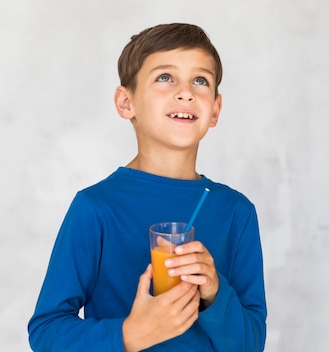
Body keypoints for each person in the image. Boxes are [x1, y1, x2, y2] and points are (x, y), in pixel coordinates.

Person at [27, 23, 267, 351]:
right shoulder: (96, 207)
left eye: (200, 80)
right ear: (127, 103)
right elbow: (46, 331)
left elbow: (251, 344)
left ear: (215, 109)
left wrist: (215, 293)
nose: (186, 92)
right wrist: (130, 334)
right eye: (165, 77)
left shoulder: (236, 211)